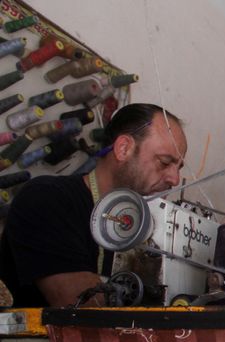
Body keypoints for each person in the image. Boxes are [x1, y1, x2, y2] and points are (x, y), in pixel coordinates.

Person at [0, 103, 187, 307]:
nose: (175, 179)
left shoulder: (147, 228)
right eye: (164, 162)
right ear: (123, 148)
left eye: (179, 167)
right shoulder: (47, 199)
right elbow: (83, 309)